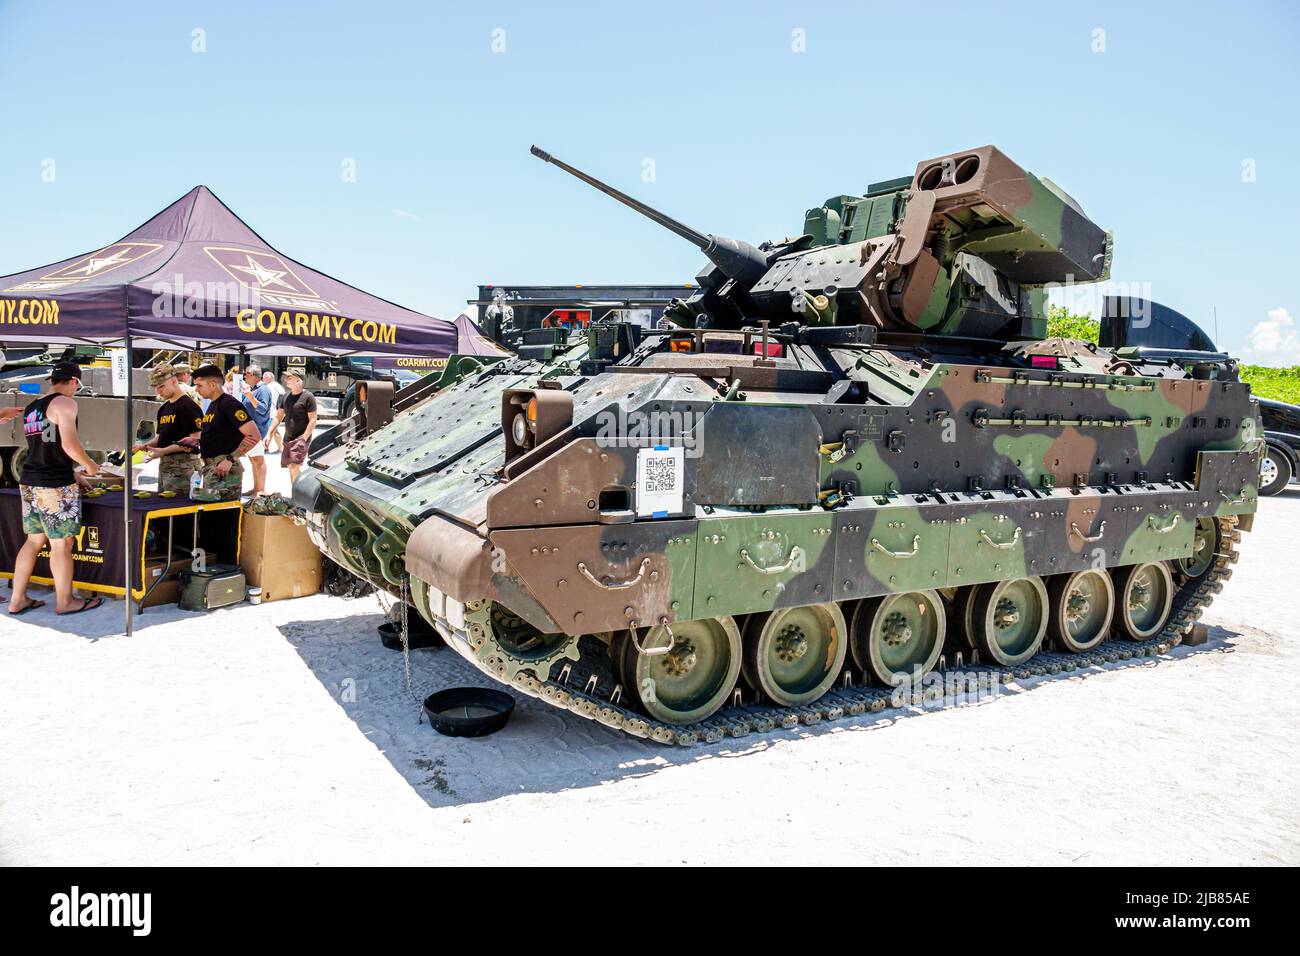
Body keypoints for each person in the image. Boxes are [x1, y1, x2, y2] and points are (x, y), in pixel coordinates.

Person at [0, 362, 103, 615]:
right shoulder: (66, 403)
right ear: (74, 382)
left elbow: (44, 449)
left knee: (33, 541)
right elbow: (68, 444)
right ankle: (65, 602)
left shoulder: (33, 407)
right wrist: (89, 465)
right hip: (54, 484)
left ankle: (17, 599)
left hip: (30, 480)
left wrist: (73, 474)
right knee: (61, 545)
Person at [192, 364, 261, 502]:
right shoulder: (213, 404)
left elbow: (254, 435)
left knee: (222, 517)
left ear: (213, 384)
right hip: (213, 468)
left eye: (199, 385)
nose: (196, 389)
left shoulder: (229, 404)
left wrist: (230, 459)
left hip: (224, 472)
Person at [132, 364, 202, 494]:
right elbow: (162, 437)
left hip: (184, 468)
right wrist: (144, 446)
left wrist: (163, 451)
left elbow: (196, 439)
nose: (158, 391)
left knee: (179, 509)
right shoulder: (164, 408)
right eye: (156, 388)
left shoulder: (187, 406)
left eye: (161, 386)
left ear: (174, 381)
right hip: (166, 466)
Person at [271, 369, 317, 488]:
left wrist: (304, 438)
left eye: (289, 377)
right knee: (291, 468)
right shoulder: (286, 396)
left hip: (301, 438)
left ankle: (296, 497)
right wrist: (269, 433)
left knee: (293, 467)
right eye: (286, 377)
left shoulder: (308, 397)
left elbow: (313, 420)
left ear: (298, 379)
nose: (286, 380)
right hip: (288, 438)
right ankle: (302, 489)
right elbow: (278, 416)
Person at [239, 364, 271, 498]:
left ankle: (260, 490)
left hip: (257, 430)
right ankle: (256, 488)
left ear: (252, 375)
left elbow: (263, 409)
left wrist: (251, 397)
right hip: (251, 429)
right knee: (254, 460)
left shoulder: (262, 390)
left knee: (258, 460)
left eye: (246, 373)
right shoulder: (254, 389)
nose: (244, 376)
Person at [261, 371, 285, 453]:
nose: (262, 379)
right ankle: (281, 448)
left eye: (264, 377)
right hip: (279, 412)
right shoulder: (280, 387)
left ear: (269, 378)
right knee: (274, 430)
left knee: (270, 431)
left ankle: (265, 448)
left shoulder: (269, 387)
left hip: (271, 413)